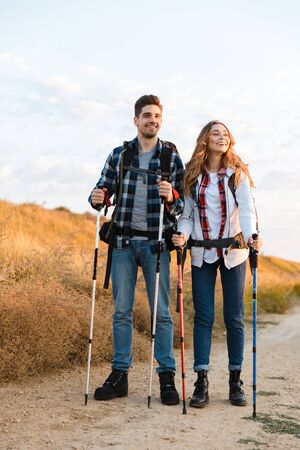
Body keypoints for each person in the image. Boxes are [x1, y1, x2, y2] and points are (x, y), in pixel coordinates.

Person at [89, 95, 184, 405]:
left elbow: (183, 207)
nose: (151, 119)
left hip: (157, 243)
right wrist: (96, 197)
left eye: (156, 115)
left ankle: (166, 377)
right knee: (121, 311)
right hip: (123, 244)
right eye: (146, 115)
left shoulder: (171, 157)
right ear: (136, 120)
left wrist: (172, 197)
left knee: (162, 314)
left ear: (161, 120)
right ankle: (120, 376)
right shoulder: (120, 155)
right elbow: (101, 193)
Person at [172, 120, 262, 408]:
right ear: (205, 140)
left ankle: (235, 381)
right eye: (216, 133)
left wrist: (252, 237)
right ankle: (202, 381)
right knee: (203, 317)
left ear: (229, 141)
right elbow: (186, 214)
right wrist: (182, 235)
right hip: (201, 253)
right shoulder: (193, 175)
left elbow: (246, 210)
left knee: (234, 317)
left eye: (225, 134)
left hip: (234, 253)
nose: (221, 138)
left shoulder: (237, 175)